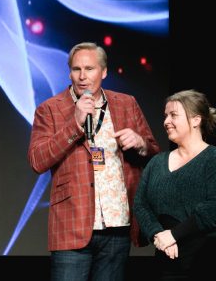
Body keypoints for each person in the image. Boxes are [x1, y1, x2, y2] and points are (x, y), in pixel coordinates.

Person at [28, 42, 160, 281]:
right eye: (76, 69)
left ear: (104, 72)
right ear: (69, 73)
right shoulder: (50, 110)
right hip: (72, 225)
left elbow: (154, 154)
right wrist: (75, 124)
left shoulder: (126, 103)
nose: (82, 76)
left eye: (89, 69)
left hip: (117, 225)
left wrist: (141, 144)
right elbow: (38, 161)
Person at [133, 89, 216, 280]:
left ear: (196, 120)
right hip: (166, 258)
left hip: (204, 259)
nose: (166, 122)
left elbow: (213, 207)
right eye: (165, 116)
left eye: (173, 115)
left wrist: (174, 235)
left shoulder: (212, 158)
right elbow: (141, 204)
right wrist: (158, 235)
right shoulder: (157, 162)